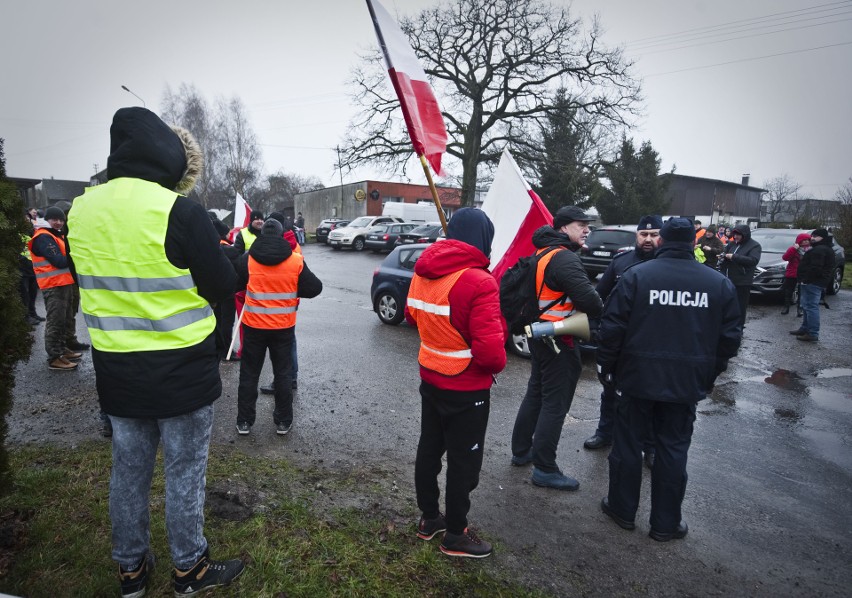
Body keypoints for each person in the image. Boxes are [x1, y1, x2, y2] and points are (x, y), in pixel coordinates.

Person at [67, 107, 244, 597]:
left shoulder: (81, 208)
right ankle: (189, 568)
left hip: (117, 371)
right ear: (167, 152)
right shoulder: (177, 209)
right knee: (184, 474)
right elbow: (221, 284)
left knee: (128, 473)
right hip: (182, 372)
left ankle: (130, 570)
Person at [597, 217, 742, 542]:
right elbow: (730, 338)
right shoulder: (717, 283)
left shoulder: (637, 276)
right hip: (685, 383)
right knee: (673, 449)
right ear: (693, 242)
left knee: (629, 445)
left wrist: (608, 368)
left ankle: (622, 509)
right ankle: (666, 522)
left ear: (662, 241)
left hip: (636, 379)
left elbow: (611, 328)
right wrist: (709, 372)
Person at [406, 208, 506, 558]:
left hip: (430, 378)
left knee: (429, 450)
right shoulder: (479, 281)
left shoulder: (423, 272)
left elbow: (411, 316)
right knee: (464, 463)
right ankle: (456, 534)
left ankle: (429, 518)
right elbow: (492, 355)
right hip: (467, 389)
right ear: (483, 240)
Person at [510, 206, 603, 491]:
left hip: (540, 335)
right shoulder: (564, 258)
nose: (587, 229)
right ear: (563, 228)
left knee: (536, 393)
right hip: (559, 338)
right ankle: (545, 469)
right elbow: (592, 303)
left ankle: (522, 450)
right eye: (581, 224)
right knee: (555, 403)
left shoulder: (543, 253)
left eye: (588, 225)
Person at [584, 215, 662, 470]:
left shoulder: (667, 264)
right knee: (609, 392)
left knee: (653, 399)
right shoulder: (621, 263)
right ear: (637, 236)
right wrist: (596, 328)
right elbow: (598, 297)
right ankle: (605, 433)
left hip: (653, 346)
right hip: (622, 345)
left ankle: (650, 447)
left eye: (653, 235)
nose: (648, 239)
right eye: (644, 235)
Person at [234, 217, 322, 435]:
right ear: (283, 235)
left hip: (254, 327)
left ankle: (244, 421)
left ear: (262, 235)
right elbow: (315, 288)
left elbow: (236, 281)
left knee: (249, 374)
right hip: (283, 328)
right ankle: (283, 421)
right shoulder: (295, 261)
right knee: (283, 375)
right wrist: (292, 288)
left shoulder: (248, 259)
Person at [28, 206, 82, 371]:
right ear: (47, 220)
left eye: (61, 220)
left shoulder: (56, 235)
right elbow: (58, 261)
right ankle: (54, 357)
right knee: (55, 320)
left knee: (65, 319)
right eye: (54, 219)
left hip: (63, 283)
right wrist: (78, 255)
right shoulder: (44, 237)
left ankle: (61, 349)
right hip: (53, 285)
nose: (58, 222)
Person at [791, 228, 835, 342]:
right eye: (812, 235)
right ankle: (805, 328)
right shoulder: (823, 248)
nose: (812, 238)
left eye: (815, 236)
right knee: (806, 306)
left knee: (810, 307)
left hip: (813, 283)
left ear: (822, 237)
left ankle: (812, 333)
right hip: (815, 282)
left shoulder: (819, 250)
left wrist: (806, 279)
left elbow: (816, 268)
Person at [719, 224, 761, 330]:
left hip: (742, 281)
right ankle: (727, 325)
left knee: (740, 306)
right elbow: (725, 253)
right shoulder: (732, 244)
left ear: (745, 235)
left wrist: (734, 257)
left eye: (738, 234)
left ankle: (739, 327)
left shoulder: (754, 246)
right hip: (728, 279)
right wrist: (722, 256)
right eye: (735, 234)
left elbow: (753, 261)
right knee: (727, 304)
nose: (736, 237)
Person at [780, 233, 810, 315]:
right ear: (799, 241)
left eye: (807, 240)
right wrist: (793, 249)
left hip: (804, 274)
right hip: (792, 273)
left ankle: (800, 309)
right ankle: (786, 307)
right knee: (788, 291)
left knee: (802, 292)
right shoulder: (793, 249)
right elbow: (785, 258)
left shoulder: (810, 250)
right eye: (804, 240)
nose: (806, 242)